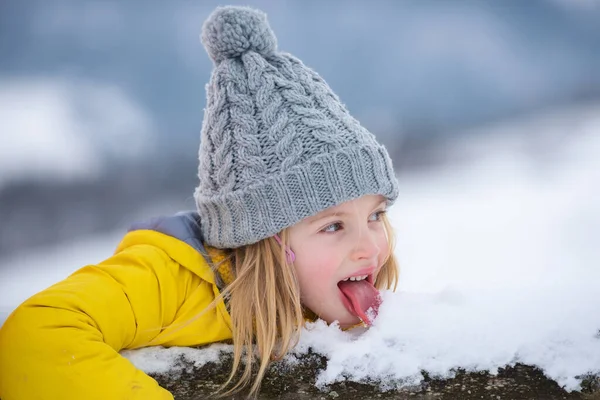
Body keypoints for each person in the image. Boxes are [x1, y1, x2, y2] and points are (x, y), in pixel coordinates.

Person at [0, 6, 400, 399]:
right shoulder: (170, 280)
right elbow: (35, 333)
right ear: (264, 238)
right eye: (333, 226)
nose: (369, 247)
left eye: (376, 215)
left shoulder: (320, 292)